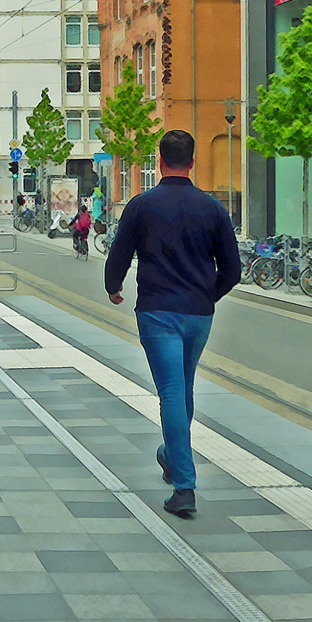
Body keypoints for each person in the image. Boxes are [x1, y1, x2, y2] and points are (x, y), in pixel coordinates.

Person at [103, 130, 240, 519]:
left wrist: (113, 287)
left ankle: (184, 486)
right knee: (183, 388)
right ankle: (170, 452)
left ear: (159, 162)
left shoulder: (142, 206)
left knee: (170, 392)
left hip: (157, 312)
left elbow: (120, 254)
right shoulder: (213, 209)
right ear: (193, 162)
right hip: (198, 316)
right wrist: (206, 296)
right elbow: (232, 270)